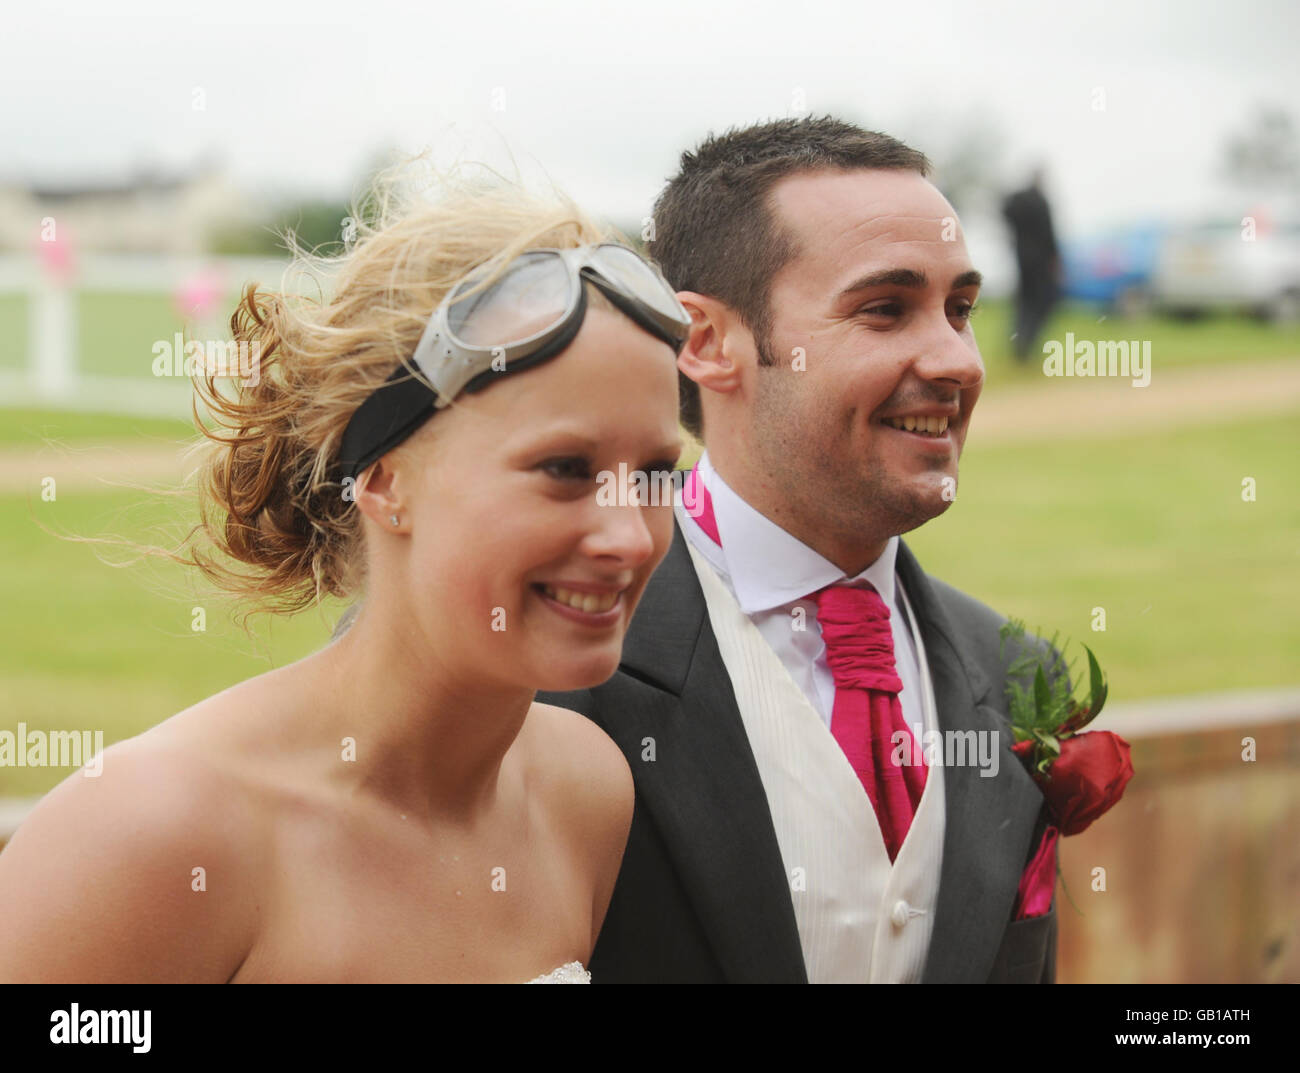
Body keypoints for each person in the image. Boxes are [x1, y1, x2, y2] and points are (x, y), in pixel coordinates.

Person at [0, 172, 690, 983]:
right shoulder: (151, 831)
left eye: (655, 474)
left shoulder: (585, 790)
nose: (627, 535)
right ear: (383, 480)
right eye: (564, 469)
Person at [537, 116, 1061, 983]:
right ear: (705, 343)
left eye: (960, 308)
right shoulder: (545, 667)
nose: (956, 359)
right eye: (885, 308)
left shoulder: (1014, 677)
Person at [1002, 166, 1062, 361]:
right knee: (1041, 302)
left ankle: (1019, 342)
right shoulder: (1041, 201)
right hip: (1040, 263)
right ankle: (1027, 342)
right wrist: (1055, 260)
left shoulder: (1017, 200)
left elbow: (1005, 212)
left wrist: (1013, 237)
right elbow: (1049, 234)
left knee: (1024, 303)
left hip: (1021, 259)